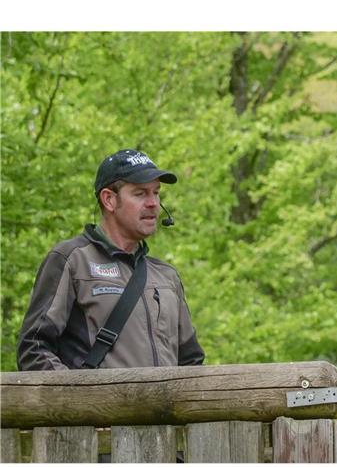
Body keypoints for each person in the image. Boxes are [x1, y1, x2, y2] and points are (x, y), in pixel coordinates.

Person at [17, 149, 205, 370]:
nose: (153, 203)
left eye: (156, 192)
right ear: (109, 199)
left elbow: (191, 363)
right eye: (140, 193)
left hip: (163, 406)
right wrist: (81, 400)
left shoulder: (166, 276)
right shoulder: (71, 260)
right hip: (92, 405)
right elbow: (34, 350)